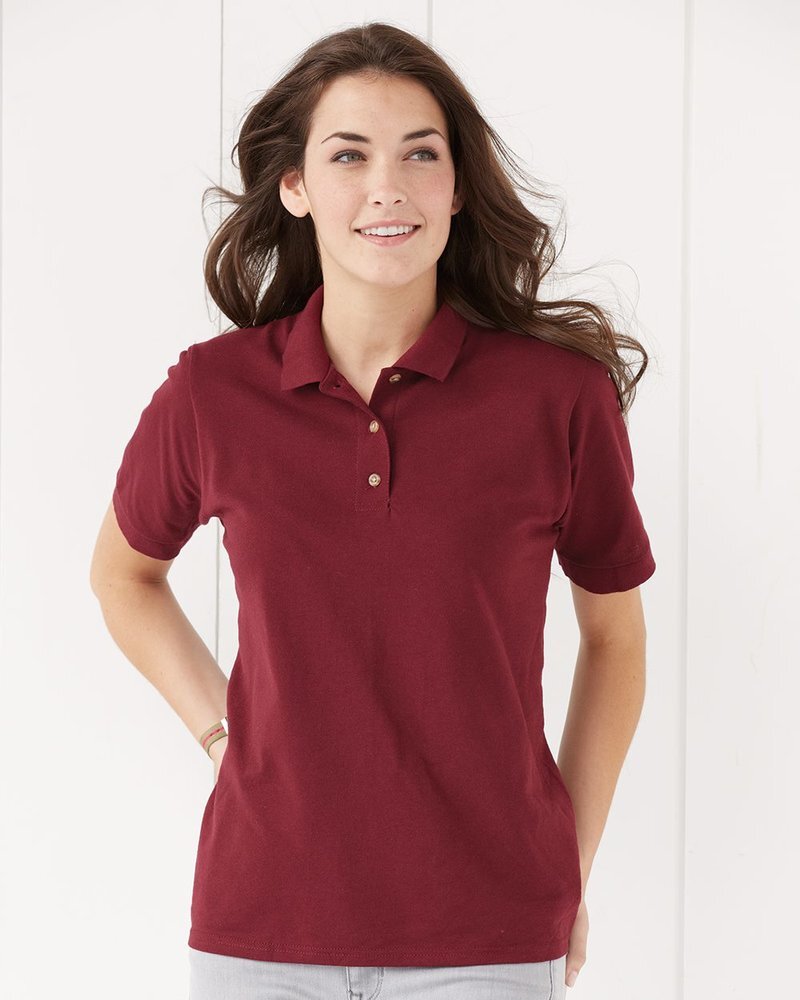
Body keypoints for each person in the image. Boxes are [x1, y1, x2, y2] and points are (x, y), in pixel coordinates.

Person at [90, 21, 656, 1000]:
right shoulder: (214, 394)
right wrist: (222, 732)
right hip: (258, 926)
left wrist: (568, 863)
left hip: (487, 933)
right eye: (348, 155)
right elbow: (122, 576)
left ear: (457, 187)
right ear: (295, 186)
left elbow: (615, 637)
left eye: (420, 154)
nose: (387, 186)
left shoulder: (556, 398)